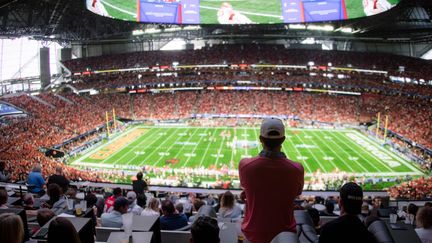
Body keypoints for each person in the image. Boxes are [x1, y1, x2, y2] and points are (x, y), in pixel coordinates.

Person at [239, 118, 304, 243]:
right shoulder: (297, 169)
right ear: (283, 139)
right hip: (285, 235)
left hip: (253, 234)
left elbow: (252, 188)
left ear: (260, 139)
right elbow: (295, 193)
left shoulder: (245, 165)